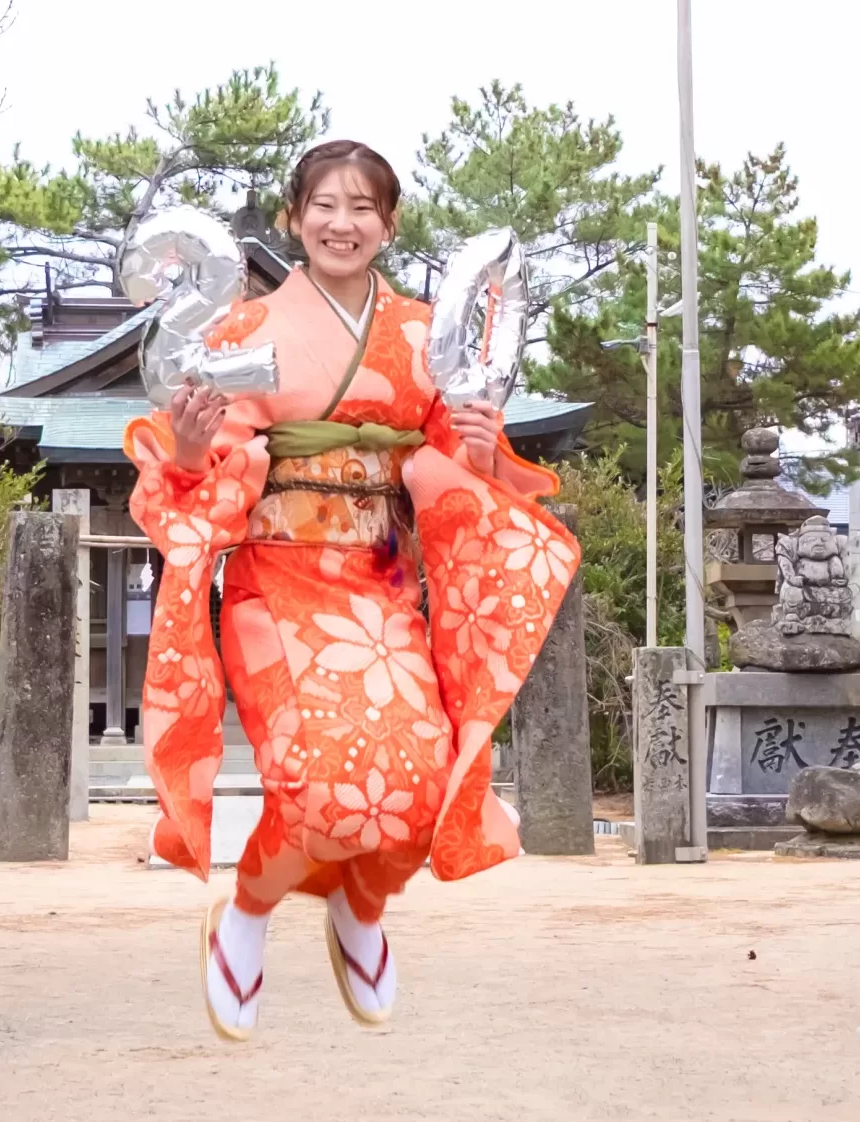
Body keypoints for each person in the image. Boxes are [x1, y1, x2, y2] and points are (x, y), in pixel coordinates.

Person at [123, 140, 580, 1040]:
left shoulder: (418, 333)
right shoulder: (241, 332)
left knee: (418, 784)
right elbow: (197, 466)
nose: (343, 223)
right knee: (320, 782)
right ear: (293, 219)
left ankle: (360, 906)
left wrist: (480, 454)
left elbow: (456, 462)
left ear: (390, 224)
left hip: (379, 584)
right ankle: (248, 911)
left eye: (364, 207)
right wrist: (184, 450)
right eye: (324, 205)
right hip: (275, 581)